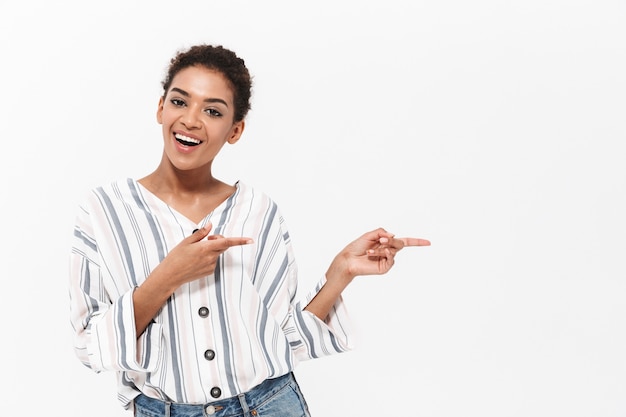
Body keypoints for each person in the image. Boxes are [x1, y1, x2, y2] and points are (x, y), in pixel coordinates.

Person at [68, 43, 430, 417]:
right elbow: (90, 346)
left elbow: (285, 339)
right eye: (180, 101)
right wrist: (168, 276)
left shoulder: (258, 211)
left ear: (235, 130)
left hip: (270, 404)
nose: (191, 119)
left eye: (212, 111)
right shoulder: (103, 211)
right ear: (161, 108)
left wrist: (340, 273)